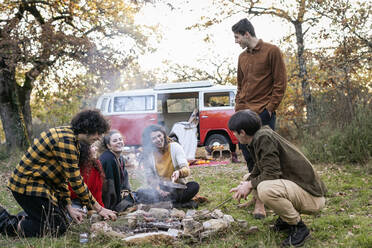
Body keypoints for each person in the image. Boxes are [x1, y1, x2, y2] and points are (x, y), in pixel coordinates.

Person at [0, 109, 117, 237]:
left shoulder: (72, 140)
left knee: (62, 222)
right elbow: (76, 182)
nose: (99, 138)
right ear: (88, 128)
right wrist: (99, 209)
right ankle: (6, 223)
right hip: (27, 187)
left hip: (40, 186)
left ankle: (29, 217)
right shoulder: (66, 141)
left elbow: (62, 178)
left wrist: (68, 206)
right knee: (56, 228)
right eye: (98, 133)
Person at [228, 110, 327, 247]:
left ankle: (299, 228)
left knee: (265, 189)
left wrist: (250, 185)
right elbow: (260, 166)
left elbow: (271, 173)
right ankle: (285, 219)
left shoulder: (264, 138)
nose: (234, 135)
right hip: (301, 189)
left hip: (313, 196)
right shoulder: (260, 135)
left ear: (242, 132)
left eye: (234, 132)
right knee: (249, 178)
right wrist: (246, 183)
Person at [232, 18, 287, 216]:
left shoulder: (272, 51)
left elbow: (280, 83)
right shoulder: (241, 57)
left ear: (247, 34)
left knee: (265, 157)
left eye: (237, 37)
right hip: (243, 113)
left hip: (263, 113)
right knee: (249, 158)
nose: (236, 41)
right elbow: (240, 85)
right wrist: (238, 107)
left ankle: (261, 203)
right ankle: (256, 194)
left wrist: (270, 109)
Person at [139, 125, 199, 208]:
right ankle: (181, 204)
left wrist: (179, 172)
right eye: (153, 138)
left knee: (194, 186)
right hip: (161, 189)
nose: (158, 140)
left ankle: (168, 204)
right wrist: (158, 189)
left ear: (163, 134)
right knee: (141, 193)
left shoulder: (175, 147)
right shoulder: (149, 154)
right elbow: (150, 178)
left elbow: (186, 169)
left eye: (159, 136)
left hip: (177, 188)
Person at [99, 130, 131, 212]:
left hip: (117, 196)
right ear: (109, 146)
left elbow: (125, 179)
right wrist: (113, 207)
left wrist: (126, 191)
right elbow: (109, 186)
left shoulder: (120, 158)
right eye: (115, 141)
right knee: (133, 198)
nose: (119, 142)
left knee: (136, 195)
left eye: (120, 139)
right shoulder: (108, 159)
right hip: (106, 201)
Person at [68, 140, 105, 209]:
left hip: (90, 203)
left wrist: (101, 209)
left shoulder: (96, 164)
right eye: (92, 146)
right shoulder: (75, 166)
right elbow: (71, 192)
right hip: (72, 202)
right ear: (84, 150)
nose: (96, 148)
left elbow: (97, 192)